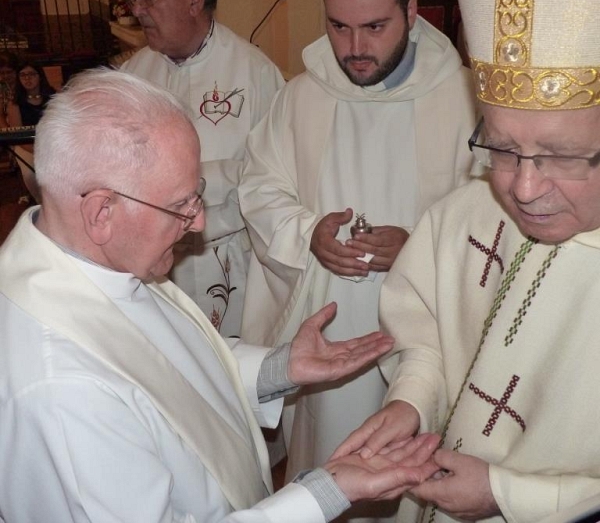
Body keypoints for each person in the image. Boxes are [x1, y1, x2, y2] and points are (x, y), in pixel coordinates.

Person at [0, 68, 443, 522]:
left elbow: (167, 372)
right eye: (180, 206)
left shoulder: (96, 263)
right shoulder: (63, 390)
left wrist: (277, 368)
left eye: (197, 198)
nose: (198, 223)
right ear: (101, 212)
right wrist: (326, 492)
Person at [333, 0, 600, 522]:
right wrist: (411, 403)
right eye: (501, 149)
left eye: (559, 154)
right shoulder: (468, 210)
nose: (523, 189)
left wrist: (511, 495)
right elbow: (426, 333)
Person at [238, 0, 477, 521]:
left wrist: (420, 248)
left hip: (427, 329)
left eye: (374, 27)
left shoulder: (466, 99)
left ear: (412, 13)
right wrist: (307, 234)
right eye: (339, 27)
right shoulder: (302, 96)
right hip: (333, 322)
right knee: (333, 456)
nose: (354, 48)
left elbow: (494, 217)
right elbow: (260, 186)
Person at [121, 0, 284, 338]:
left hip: (228, 258)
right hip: (151, 264)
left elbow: (277, 174)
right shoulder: (131, 76)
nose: (137, 9)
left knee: (231, 375)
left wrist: (192, 192)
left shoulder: (255, 73)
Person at [14, 61, 57, 126]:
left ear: (40, 77)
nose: (27, 78)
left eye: (31, 74)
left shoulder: (53, 98)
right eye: (22, 75)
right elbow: (17, 133)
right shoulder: (15, 103)